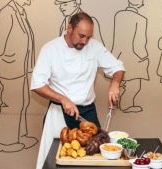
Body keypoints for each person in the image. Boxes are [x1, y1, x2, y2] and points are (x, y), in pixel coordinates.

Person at [31, 12, 125, 169]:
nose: (85, 41)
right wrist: (63, 99)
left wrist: (115, 83)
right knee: (56, 162)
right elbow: (37, 85)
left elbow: (118, 68)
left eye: (88, 37)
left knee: (95, 161)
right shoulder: (50, 49)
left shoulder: (94, 47)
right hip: (59, 113)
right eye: (81, 36)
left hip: (88, 114)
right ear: (69, 28)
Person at [0, 0, 37, 153]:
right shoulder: (7, 12)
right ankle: (5, 142)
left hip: (20, 68)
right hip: (9, 68)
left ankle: (20, 135)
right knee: (11, 105)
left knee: (23, 102)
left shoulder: (19, 11)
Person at [111, 0, 149, 113]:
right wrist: (144, 56)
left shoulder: (119, 15)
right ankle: (127, 105)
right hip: (134, 56)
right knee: (135, 85)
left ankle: (119, 102)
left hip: (119, 55)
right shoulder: (141, 19)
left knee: (120, 83)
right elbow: (139, 44)